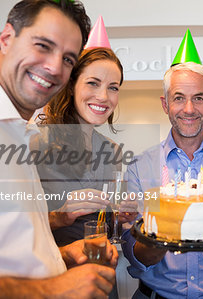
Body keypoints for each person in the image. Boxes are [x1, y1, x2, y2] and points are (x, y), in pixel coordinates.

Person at [0, 1, 118, 298]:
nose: (53, 67)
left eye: (67, 59)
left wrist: (59, 255)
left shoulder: (20, 130)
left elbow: (9, 247)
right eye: (43, 45)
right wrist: (50, 289)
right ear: (7, 38)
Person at [121, 61, 203, 298]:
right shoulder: (140, 166)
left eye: (199, 98)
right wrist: (165, 227)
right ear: (165, 104)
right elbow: (134, 251)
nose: (189, 109)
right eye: (179, 98)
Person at [36, 46, 137, 246]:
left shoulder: (112, 150)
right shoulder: (36, 142)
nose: (103, 96)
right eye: (92, 83)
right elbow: (11, 228)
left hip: (102, 270)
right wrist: (58, 217)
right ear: (70, 85)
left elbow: (108, 223)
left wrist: (122, 216)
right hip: (53, 271)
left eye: (113, 87)